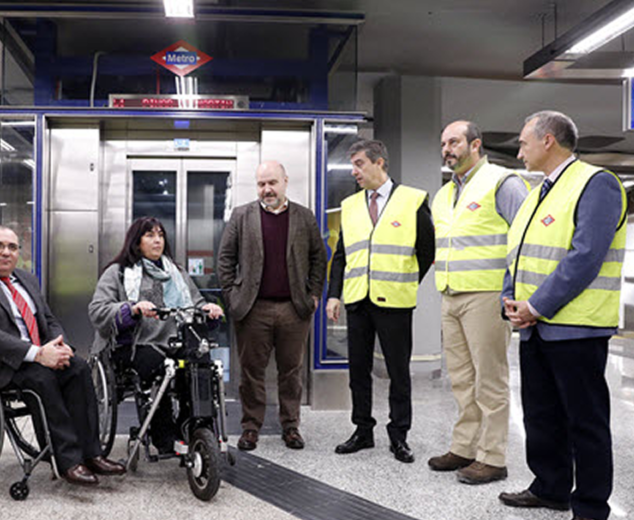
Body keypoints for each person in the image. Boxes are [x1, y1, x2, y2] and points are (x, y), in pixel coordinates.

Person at [499, 111, 626, 520]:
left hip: (576, 326)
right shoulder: (539, 192)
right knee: (540, 413)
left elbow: (585, 256)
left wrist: (536, 305)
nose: (519, 151)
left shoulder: (597, 183)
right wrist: (510, 299)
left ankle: (591, 507)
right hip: (534, 325)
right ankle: (550, 487)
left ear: (548, 140)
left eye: (523, 143)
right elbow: (518, 253)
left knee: (584, 419)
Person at [0, 226, 125, 487]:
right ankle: (66, 462)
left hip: (38, 353)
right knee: (41, 378)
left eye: (13, 247)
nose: (6, 252)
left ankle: (92, 453)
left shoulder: (26, 279)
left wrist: (58, 345)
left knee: (78, 368)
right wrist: (37, 354)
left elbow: (48, 320)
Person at [428, 121, 528, 484]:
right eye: (443, 143)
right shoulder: (443, 195)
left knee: (490, 380)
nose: (446, 149)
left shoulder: (502, 182)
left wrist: (512, 290)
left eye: (454, 141)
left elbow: (526, 237)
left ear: (476, 145)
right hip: (451, 294)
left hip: (487, 295)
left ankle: (493, 457)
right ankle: (465, 446)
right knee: (461, 379)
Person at [327, 139, 434, 463]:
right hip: (358, 299)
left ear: (379, 163)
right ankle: (362, 431)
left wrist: (405, 282)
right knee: (358, 370)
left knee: (398, 371)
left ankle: (399, 434)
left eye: (359, 163)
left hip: (395, 302)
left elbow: (427, 251)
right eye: (353, 165)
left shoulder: (412, 200)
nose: (354, 171)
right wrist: (334, 295)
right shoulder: (350, 205)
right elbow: (342, 255)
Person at [88, 216, 223, 452]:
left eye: (160, 235)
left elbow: (196, 302)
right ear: (136, 241)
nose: (157, 240)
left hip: (174, 342)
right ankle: (163, 435)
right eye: (150, 235)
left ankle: (195, 427)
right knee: (159, 367)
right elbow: (97, 311)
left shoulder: (177, 272)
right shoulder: (118, 272)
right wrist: (132, 309)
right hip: (134, 345)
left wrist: (208, 309)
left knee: (201, 363)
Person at [217, 161, 326, 452]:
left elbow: (318, 258)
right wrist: (232, 296)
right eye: (262, 184)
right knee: (251, 372)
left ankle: (290, 427)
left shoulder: (304, 217)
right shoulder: (242, 216)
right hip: (254, 310)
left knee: (291, 371)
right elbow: (225, 259)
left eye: (272, 183)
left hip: (294, 309)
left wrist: (313, 294)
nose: (267, 189)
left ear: (285, 182)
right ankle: (250, 427)